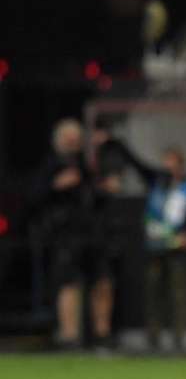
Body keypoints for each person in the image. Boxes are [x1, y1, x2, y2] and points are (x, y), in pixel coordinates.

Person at [29, 119, 119, 350]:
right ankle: (69, 335)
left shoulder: (87, 165)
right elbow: (34, 197)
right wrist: (55, 185)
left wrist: (104, 188)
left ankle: (102, 333)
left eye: (76, 139)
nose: (73, 143)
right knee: (69, 285)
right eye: (69, 139)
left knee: (102, 281)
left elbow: (98, 193)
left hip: (93, 233)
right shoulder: (51, 165)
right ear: (59, 141)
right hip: (66, 235)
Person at [122, 145, 186, 352]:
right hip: (155, 246)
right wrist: (118, 143)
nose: (168, 166)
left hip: (178, 247)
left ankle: (179, 340)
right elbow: (138, 166)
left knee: (179, 294)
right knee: (153, 292)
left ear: (181, 165)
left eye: (172, 162)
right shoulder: (157, 182)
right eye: (165, 162)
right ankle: (153, 338)